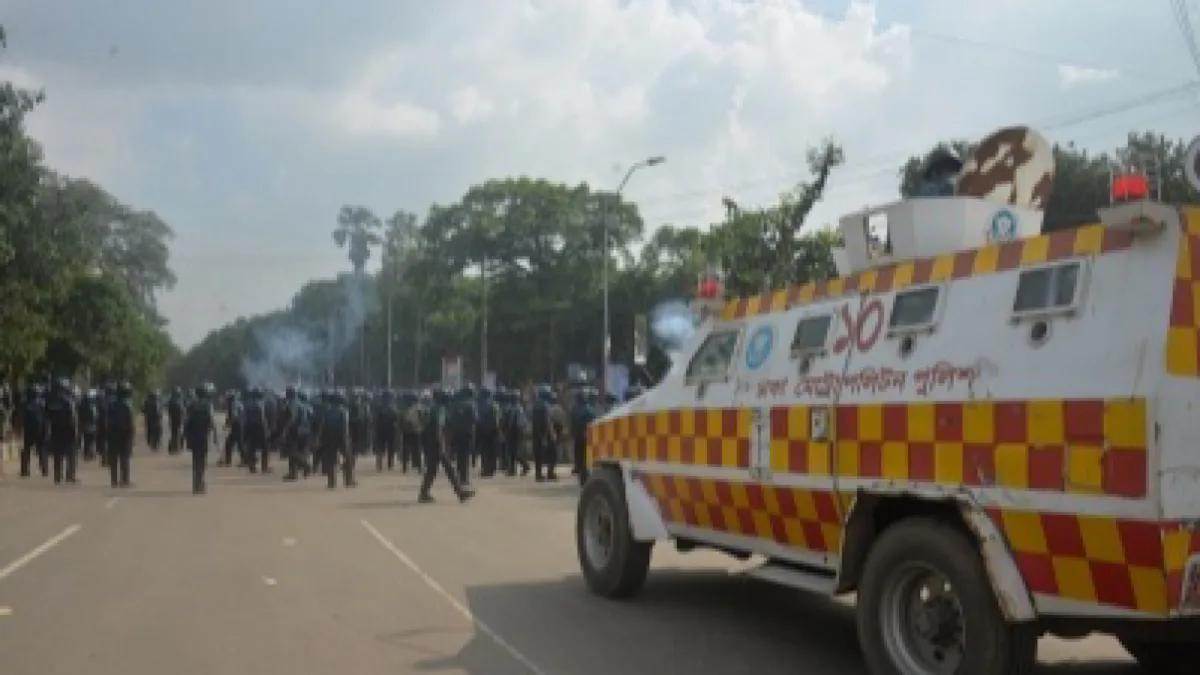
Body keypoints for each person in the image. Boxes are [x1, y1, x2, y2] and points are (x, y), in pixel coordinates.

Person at [418, 389, 473, 504]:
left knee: (432, 470)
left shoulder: (433, 407)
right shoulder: (441, 409)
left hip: (431, 442)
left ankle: (424, 493)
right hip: (438, 443)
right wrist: (442, 444)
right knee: (449, 469)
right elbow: (439, 427)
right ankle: (460, 493)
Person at [317, 390, 355, 489]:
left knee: (331, 459)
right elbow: (345, 426)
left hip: (329, 436)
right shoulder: (344, 411)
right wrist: (346, 439)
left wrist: (320, 438)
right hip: (341, 436)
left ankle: (331, 482)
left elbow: (322, 426)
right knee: (348, 458)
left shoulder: (327, 411)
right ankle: (348, 480)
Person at [184, 384, 218, 494]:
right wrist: (215, 436)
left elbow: (186, 422)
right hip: (203, 436)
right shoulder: (208, 405)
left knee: (195, 461)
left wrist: (184, 436)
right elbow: (212, 421)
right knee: (202, 461)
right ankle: (200, 484)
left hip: (193, 437)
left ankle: (195, 485)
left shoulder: (191, 404)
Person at [46, 378, 79, 485]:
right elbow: (73, 418)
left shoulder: (51, 402)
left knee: (57, 455)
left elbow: (47, 417)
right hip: (68, 431)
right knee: (71, 455)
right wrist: (75, 431)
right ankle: (70, 475)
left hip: (56, 431)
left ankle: (57, 476)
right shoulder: (69, 401)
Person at [107, 382, 136, 487]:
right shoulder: (127, 405)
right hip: (125, 433)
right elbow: (131, 422)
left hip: (112, 433)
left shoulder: (111, 404)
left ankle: (113, 481)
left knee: (113, 457)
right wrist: (132, 435)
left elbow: (107, 419)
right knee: (124, 457)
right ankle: (125, 480)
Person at [281, 387, 313, 481]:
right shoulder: (302, 403)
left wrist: (285, 430)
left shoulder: (293, 403)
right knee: (299, 451)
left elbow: (292, 418)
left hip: (296, 430)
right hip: (305, 430)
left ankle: (305, 466)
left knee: (291, 451)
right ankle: (293, 473)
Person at [449, 384, 476, 486]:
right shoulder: (471, 405)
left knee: (459, 456)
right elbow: (475, 419)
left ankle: (460, 476)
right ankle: (464, 479)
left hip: (456, 433)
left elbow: (450, 419)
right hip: (467, 433)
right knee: (465, 456)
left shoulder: (455, 404)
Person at [500, 388, 530, 477]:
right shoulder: (515, 408)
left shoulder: (516, 408)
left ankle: (525, 465)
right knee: (511, 451)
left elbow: (520, 422)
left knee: (515, 451)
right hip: (514, 431)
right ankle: (512, 470)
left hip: (515, 431)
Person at [571, 387, 598, 484]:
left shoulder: (574, 409)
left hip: (577, 437)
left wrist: (573, 434)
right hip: (587, 437)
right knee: (587, 458)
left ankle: (582, 478)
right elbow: (594, 423)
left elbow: (572, 424)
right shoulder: (591, 409)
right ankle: (586, 477)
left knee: (579, 458)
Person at [531, 384, 557, 481]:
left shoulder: (535, 405)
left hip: (536, 433)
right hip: (545, 433)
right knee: (553, 454)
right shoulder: (546, 406)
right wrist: (551, 434)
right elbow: (547, 421)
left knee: (538, 455)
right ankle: (550, 473)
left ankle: (538, 475)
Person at [20, 384, 47, 478]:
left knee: (26, 450)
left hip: (28, 430)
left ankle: (24, 471)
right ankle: (44, 470)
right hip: (40, 430)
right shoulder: (42, 403)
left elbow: (22, 418)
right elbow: (46, 418)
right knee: (41, 450)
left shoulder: (25, 404)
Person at [475, 387, 501, 478]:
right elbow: (497, 420)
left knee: (484, 451)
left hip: (482, 430)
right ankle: (492, 469)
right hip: (493, 431)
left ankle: (485, 469)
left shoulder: (479, 405)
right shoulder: (494, 405)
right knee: (493, 451)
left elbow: (477, 419)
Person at [243, 387, 269, 473]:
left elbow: (245, 417)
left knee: (252, 447)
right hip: (259, 427)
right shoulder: (260, 404)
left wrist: (245, 428)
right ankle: (264, 467)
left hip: (249, 426)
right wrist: (266, 428)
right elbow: (262, 417)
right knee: (264, 447)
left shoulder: (247, 404)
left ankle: (252, 467)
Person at [374, 390, 398, 472]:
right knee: (391, 447)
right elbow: (396, 420)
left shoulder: (378, 407)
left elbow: (375, 419)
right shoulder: (393, 407)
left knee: (380, 447)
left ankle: (379, 463)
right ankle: (390, 464)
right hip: (391, 430)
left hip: (380, 430)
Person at [398, 391, 422, 473]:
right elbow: (422, 419)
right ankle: (419, 467)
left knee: (405, 450)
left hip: (406, 432)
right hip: (416, 431)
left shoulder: (403, 408)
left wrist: (401, 429)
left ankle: (405, 467)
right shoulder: (418, 408)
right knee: (417, 450)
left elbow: (400, 421)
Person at [220, 390, 244, 467]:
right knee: (237, 444)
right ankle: (243, 460)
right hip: (238, 425)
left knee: (231, 443)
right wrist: (227, 424)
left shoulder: (234, 404)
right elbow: (229, 417)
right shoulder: (234, 404)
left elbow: (235, 416)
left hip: (237, 425)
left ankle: (229, 462)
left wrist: (229, 424)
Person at [78, 389, 99, 462]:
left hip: (85, 424)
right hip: (91, 424)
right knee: (91, 439)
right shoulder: (93, 406)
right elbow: (95, 416)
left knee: (87, 439)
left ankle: (88, 453)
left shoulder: (82, 405)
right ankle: (90, 453)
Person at [167, 387, 184, 454]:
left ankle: (173, 448)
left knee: (174, 434)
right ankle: (177, 448)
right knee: (179, 434)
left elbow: (169, 412)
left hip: (173, 420)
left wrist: (170, 420)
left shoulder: (171, 401)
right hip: (179, 420)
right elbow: (183, 411)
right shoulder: (180, 401)